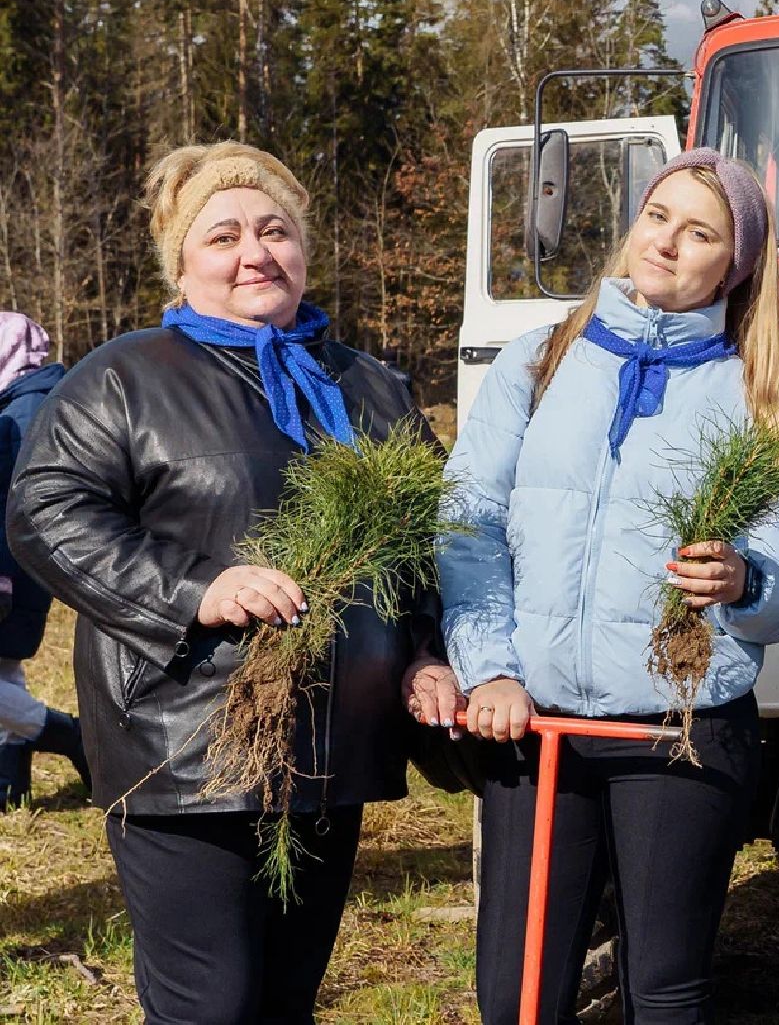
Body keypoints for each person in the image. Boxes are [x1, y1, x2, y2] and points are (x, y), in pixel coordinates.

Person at [6, 140, 458, 1023]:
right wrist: (195, 592)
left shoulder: (367, 387)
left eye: (275, 229)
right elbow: (44, 512)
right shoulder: (125, 377)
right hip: (181, 745)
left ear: (304, 249)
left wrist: (428, 653)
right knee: (210, 1004)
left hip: (334, 745)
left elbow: (429, 548)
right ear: (181, 265)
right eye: (222, 236)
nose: (255, 252)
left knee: (287, 998)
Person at [434, 147, 779, 1024]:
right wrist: (488, 669)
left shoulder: (756, 399)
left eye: (701, 232)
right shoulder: (540, 361)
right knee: (518, 995)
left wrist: (743, 582)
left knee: (664, 993)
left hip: (680, 730)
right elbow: (467, 528)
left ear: (738, 264)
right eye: (659, 217)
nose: (669, 243)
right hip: (536, 725)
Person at [0, 313, 87, 807]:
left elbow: (15, 507)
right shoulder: (18, 401)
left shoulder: (28, 409)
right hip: (13, 567)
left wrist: (5, 577)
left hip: (10, 566)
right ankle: (9, 785)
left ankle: (63, 733)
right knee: (5, 671)